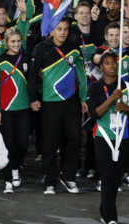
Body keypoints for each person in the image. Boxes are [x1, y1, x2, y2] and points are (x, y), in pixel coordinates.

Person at [28, 17, 88, 194]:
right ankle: (50, 180)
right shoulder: (41, 49)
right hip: (49, 103)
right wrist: (33, 98)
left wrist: (84, 98)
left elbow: (82, 75)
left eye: (65, 29)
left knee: (75, 138)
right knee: (49, 143)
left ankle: (68, 177)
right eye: (59, 29)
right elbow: (32, 76)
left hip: (72, 102)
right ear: (51, 30)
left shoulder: (74, 49)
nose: (62, 32)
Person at [87, 51, 129, 224]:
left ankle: (104, 209)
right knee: (107, 175)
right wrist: (111, 99)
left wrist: (126, 107)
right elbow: (94, 113)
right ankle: (111, 216)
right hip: (103, 136)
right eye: (107, 63)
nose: (111, 66)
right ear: (101, 67)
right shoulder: (95, 87)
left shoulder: (125, 86)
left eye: (114, 63)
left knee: (115, 178)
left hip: (122, 138)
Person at [0, 28, 33, 193]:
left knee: (23, 143)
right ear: (6, 43)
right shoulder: (0, 60)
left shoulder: (27, 58)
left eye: (18, 41)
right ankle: (9, 178)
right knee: (8, 144)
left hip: (24, 108)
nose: (16, 44)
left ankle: (16, 165)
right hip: (6, 110)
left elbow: (32, 82)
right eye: (13, 41)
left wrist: (34, 101)